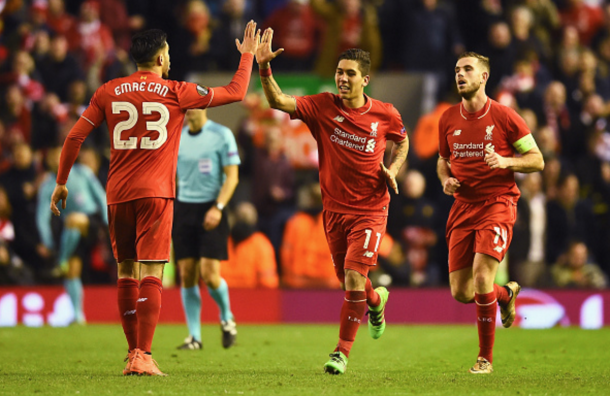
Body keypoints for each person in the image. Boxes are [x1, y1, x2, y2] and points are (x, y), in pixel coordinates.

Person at [49, 22, 259, 377]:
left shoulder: (109, 91)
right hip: (156, 194)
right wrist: (248, 56)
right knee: (152, 273)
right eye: (169, 55)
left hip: (117, 194)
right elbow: (237, 92)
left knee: (126, 272)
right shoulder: (177, 91)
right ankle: (144, 354)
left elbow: (74, 137)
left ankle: (133, 353)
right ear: (161, 57)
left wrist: (61, 182)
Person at [256, 29, 409, 374]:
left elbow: (403, 140)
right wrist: (264, 69)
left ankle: (340, 352)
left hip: (370, 208)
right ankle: (376, 300)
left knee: (354, 276)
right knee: (349, 280)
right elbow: (279, 101)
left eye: (350, 73)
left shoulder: (385, 114)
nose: (342, 78)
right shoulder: (322, 106)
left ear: (365, 79)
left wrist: (394, 168)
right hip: (334, 209)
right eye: (339, 72)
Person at [437, 52, 545, 374]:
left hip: (498, 203)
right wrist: (446, 180)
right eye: (457, 70)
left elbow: (537, 160)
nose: (460, 75)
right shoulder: (447, 118)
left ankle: (485, 358)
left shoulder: (505, 116)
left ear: (483, 77)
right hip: (463, 207)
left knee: (483, 275)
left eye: (468, 69)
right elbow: (443, 160)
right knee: (461, 291)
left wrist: (506, 161)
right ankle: (506, 293)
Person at [173, 108, 240, 351]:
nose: (189, 110)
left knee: (210, 274)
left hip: (212, 207)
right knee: (187, 272)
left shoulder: (221, 135)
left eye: (193, 104)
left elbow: (232, 177)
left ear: (204, 106)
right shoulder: (177, 136)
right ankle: (194, 337)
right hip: (183, 208)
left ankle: (226, 316)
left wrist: (218, 207)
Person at [38, 146, 108, 324]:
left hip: (93, 221)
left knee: (74, 219)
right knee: (73, 271)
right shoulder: (48, 185)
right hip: (72, 233)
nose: (56, 160)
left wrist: (109, 226)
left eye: (60, 155)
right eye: (53, 157)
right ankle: (78, 316)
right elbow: (42, 217)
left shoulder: (82, 172)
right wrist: (47, 241)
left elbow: (101, 197)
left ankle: (60, 260)